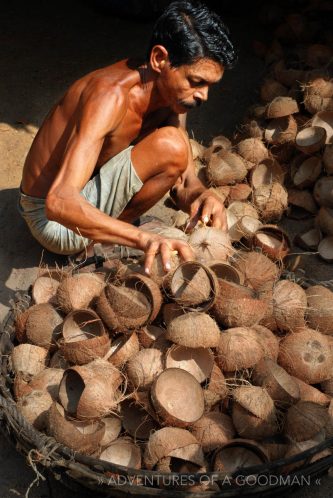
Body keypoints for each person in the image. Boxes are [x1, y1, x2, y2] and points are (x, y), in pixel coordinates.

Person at [19, 0, 236, 274]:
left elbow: (184, 183)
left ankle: (110, 233)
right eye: (196, 81)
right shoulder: (110, 96)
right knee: (172, 145)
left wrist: (202, 197)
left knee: (174, 145)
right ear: (160, 59)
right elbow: (59, 202)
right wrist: (143, 239)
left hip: (82, 193)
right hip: (51, 222)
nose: (203, 95)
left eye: (209, 86)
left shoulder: (172, 97)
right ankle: (97, 246)